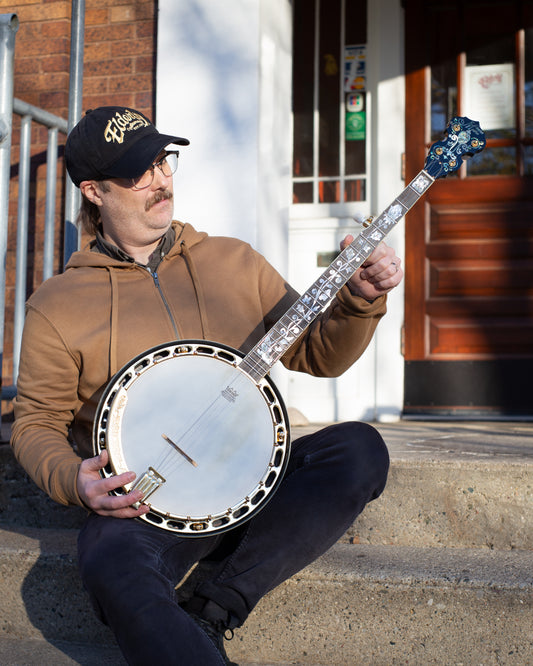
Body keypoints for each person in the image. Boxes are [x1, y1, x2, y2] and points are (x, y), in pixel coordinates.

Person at [11, 106, 403, 665]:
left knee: (358, 448)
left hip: (254, 479)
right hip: (150, 504)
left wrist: (360, 299)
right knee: (106, 559)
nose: (161, 179)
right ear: (94, 191)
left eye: (161, 160)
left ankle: (213, 609)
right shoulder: (58, 305)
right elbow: (35, 424)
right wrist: (73, 479)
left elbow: (318, 353)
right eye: (137, 172)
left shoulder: (232, 261)